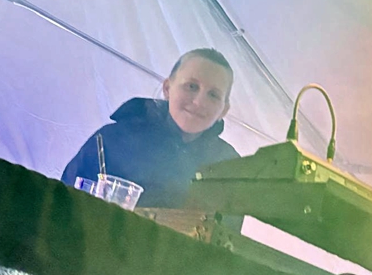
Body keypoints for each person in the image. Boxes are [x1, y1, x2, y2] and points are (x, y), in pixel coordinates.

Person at [61, 48, 239, 208]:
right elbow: (61, 206)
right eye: (191, 86)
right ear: (167, 88)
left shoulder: (230, 168)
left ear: (224, 110)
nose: (199, 102)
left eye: (213, 95)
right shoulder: (111, 140)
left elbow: (225, 232)